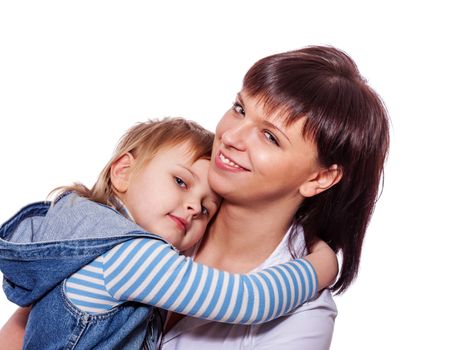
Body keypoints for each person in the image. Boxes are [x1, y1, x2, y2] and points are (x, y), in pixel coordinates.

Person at [0, 118, 336, 349]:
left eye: (206, 209)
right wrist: (322, 264)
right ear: (123, 171)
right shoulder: (133, 257)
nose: (193, 207)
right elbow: (247, 299)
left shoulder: (78, 227)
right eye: (180, 182)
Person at [161, 45, 390, 349]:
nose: (230, 137)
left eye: (269, 137)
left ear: (319, 178)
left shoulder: (304, 319)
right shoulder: (164, 179)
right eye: (240, 109)